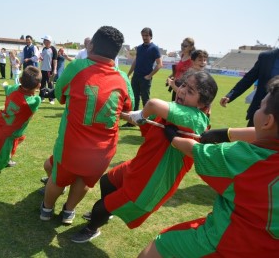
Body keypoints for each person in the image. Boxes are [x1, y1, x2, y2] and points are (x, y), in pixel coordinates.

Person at [138, 75, 279, 258]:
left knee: (157, 247)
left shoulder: (243, 157)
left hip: (228, 242)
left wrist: (173, 138)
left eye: (260, 107)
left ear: (267, 121)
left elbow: (195, 150)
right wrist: (226, 133)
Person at [71, 70, 218, 243]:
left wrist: (141, 114)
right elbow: (141, 118)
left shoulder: (196, 118)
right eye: (184, 85)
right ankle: (107, 212)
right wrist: (115, 111)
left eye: (191, 91)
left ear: (202, 104)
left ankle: (92, 228)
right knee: (107, 182)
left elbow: (153, 105)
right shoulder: (174, 112)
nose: (182, 91)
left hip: (151, 183)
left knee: (99, 209)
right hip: (138, 167)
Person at [39, 26, 134, 225]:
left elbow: (60, 95)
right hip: (103, 150)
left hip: (72, 144)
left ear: (92, 45)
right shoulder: (123, 78)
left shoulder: (78, 66)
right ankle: (68, 211)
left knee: (57, 178)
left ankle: (46, 209)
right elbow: (128, 107)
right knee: (83, 181)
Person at [220, 48, 279, 127]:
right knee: (252, 138)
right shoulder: (266, 57)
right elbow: (248, 79)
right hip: (261, 112)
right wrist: (230, 95)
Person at [123, 27, 163, 127]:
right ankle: (132, 122)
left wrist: (149, 76)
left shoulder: (154, 48)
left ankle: (146, 123)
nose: (144, 37)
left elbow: (159, 64)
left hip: (145, 79)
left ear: (151, 36)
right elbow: (135, 61)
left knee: (146, 100)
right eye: (143, 35)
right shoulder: (139, 48)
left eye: (146, 36)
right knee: (134, 99)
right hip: (136, 77)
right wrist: (129, 73)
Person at [39, 35, 58, 104]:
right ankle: (42, 97)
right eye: (43, 40)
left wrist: (55, 69)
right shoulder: (44, 49)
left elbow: (55, 60)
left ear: (49, 41)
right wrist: (41, 58)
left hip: (49, 70)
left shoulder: (53, 49)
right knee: (42, 83)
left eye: (45, 40)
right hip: (43, 69)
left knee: (50, 84)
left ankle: (51, 98)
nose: (44, 42)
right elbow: (43, 58)